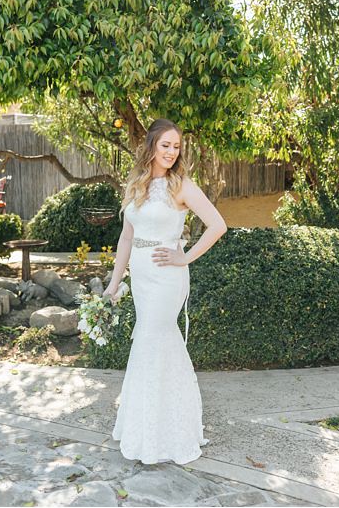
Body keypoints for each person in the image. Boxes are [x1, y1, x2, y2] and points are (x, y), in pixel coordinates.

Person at [103, 118, 226, 464]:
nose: (172, 152)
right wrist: (114, 284)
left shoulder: (181, 185)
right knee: (148, 343)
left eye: (177, 146)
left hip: (167, 277)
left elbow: (218, 224)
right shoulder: (137, 183)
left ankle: (169, 433)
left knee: (153, 340)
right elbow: (126, 238)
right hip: (141, 279)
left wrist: (184, 256)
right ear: (152, 146)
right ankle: (145, 428)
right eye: (165, 145)